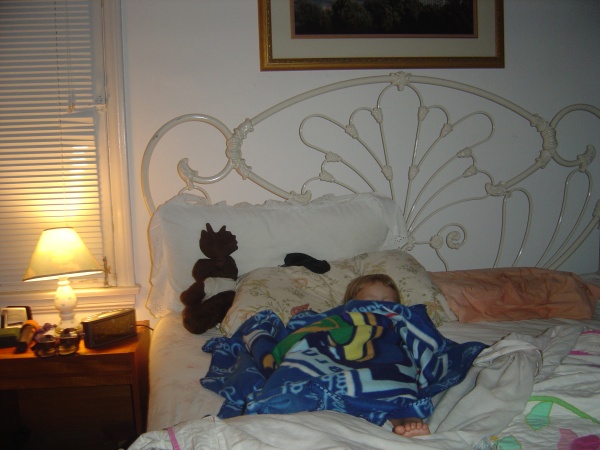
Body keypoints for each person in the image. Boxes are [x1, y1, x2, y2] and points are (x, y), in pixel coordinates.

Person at [343, 274, 431, 438]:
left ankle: (407, 418)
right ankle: (393, 415)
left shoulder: (400, 319)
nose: (380, 305)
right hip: (360, 359)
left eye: (388, 301)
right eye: (370, 301)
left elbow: (421, 338)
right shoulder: (344, 318)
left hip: (394, 358)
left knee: (402, 382)